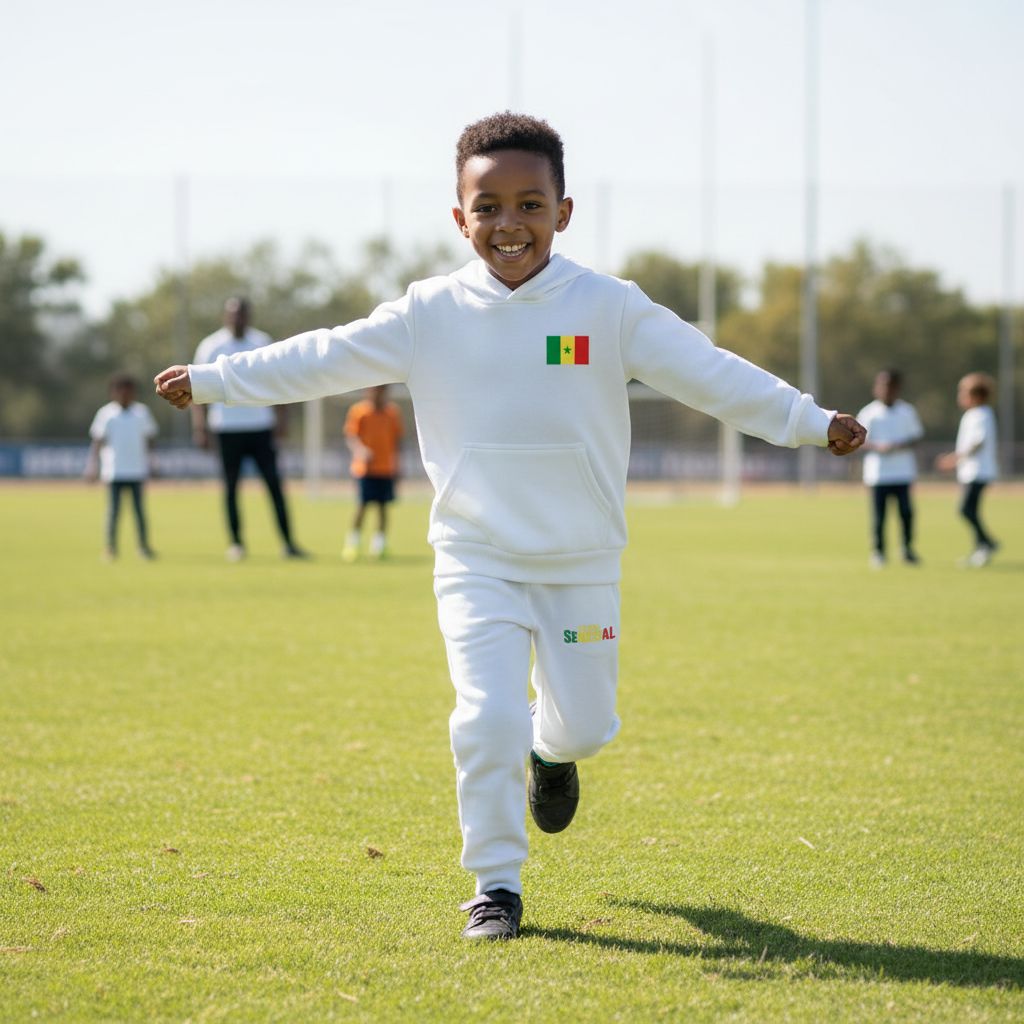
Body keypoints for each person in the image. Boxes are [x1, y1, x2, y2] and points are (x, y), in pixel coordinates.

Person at [155, 112, 866, 941]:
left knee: (588, 727)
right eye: (487, 207)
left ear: (563, 213)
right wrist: (214, 380)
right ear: (460, 219)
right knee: (484, 716)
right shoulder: (429, 312)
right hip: (475, 556)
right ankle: (496, 884)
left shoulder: (612, 309)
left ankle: (552, 756)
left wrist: (810, 421)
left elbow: (714, 375)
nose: (509, 224)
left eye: (530, 204)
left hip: (581, 559)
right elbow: (320, 355)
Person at [192, 297, 307, 561]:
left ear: (249, 316)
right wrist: (200, 427)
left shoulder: (261, 342)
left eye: (242, 314)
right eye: (233, 314)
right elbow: (197, 390)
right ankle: (236, 543)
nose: (238, 319)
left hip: (259, 426)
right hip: (227, 428)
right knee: (231, 488)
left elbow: (279, 381)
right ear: (225, 316)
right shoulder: (211, 346)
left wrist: (282, 418)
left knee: (274, 486)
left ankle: (288, 543)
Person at [85, 373, 158, 561]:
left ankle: (143, 547)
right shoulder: (106, 414)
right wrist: (92, 465)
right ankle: (110, 548)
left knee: (139, 512)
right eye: (121, 391)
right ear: (114, 393)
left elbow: (150, 439)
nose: (125, 395)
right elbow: (97, 441)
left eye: (129, 391)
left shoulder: (142, 412)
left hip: (136, 469)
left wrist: (153, 462)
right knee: (113, 512)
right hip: (114, 470)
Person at [856, 369, 924, 567]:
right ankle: (878, 552)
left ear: (897, 388)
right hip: (878, 474)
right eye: (882, 386)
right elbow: (859, 440)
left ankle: (907, 549)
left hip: (903, 472)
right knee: (879, 516)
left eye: (890, 386)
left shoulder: (907, 411)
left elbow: (916, 437)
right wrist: (878, 446)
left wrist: (898, 445)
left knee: (906, 513)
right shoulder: (869, 412)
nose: (885, 390)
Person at [935, 372, 999, 566]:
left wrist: (954, 459)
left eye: (963, 392)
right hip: (970, 471)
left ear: (977, 396)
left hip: (979, 471)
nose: (960, 396)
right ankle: (981, 548)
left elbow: (977, 442)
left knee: (966, 510)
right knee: (970, 510)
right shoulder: (972, 415)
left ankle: (987, 543)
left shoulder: (982, 414)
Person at [342, 384, 405, 561]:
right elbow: (351, 437)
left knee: (383, 508)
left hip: (385, 468)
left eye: (383, 390)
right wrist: (360, 450)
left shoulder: (392, 413)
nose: (379, 394)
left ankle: (380, 545)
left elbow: (397, 441)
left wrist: (398, 466)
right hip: (365, 468)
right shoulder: (359, 411)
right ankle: (352, 544)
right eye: (376, 390)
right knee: (362, 506)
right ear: (369, 391)